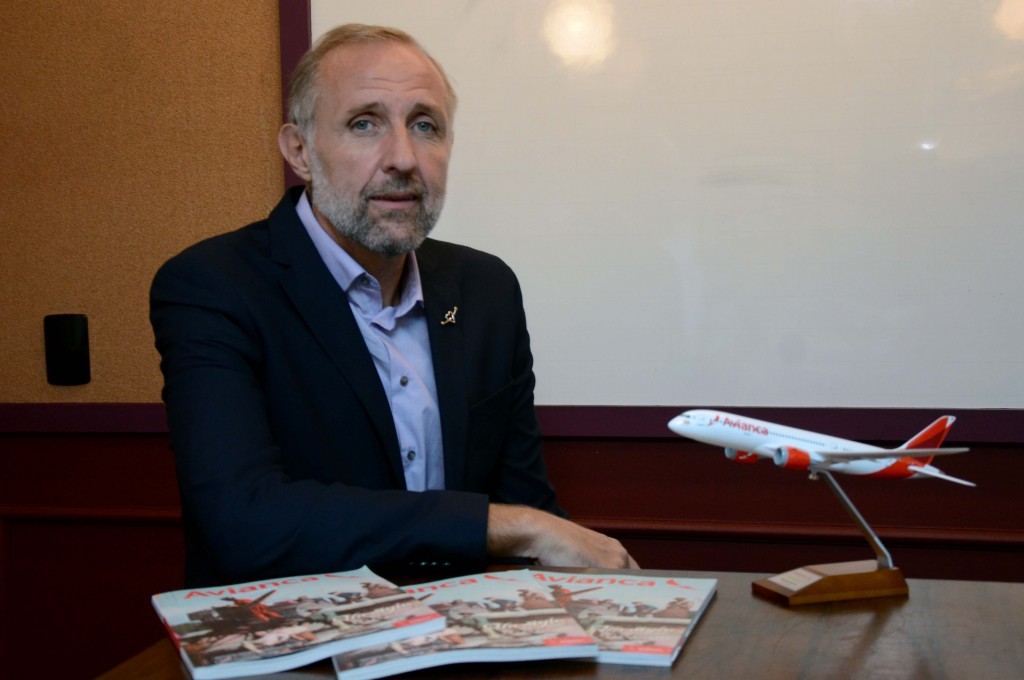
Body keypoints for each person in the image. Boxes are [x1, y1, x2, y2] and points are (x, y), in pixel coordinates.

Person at [150, 23, 636, 588]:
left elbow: (527, 505)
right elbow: (243, 522)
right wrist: (502, 525)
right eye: (364, 124)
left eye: (426, 126)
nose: (403, 157)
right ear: (300, 151)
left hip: (466, 645)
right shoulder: (214, 285)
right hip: (297, 653)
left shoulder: (485, 288)